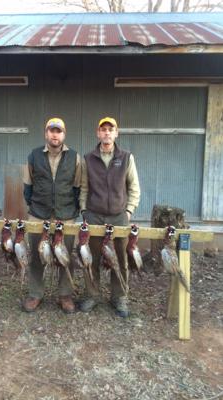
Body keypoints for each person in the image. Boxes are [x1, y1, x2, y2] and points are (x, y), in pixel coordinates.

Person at [79, 117, 140, 317]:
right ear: (98, 133)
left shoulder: (126, 158)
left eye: (110, 129)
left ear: (116, 133)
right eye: (103, 129)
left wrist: (129, 211)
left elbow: (134, 187)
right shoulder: (88, 159)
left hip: (119, 217)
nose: (106, 133)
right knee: (92, 258)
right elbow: (84, 187)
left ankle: (119, 296)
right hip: (95, 216)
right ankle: (92, 294)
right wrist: (84, 212)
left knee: (120, 259)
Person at [23, 117, 81, 314]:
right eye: (51, 130)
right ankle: (35, 294)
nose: (55, 134)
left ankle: (65, 294)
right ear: (46, 133)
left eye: (58, 131)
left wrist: (70, 208)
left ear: (64, 134)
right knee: (37, 255)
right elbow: (27, 185)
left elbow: (78, 186)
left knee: (65, 256)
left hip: (66, 215)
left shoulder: (75, 157)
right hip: (39, 214)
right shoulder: (33, 155)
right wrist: (36, 206)